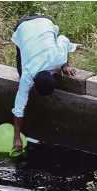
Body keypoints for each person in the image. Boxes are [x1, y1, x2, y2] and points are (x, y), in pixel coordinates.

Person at [11, 16, 79, 151]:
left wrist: (65, 66)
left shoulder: (59, 59)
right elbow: (18, 108)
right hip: (23, 25)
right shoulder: (27, 75)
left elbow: (64, 39)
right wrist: (16, 137)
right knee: (20, 67)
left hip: (44, 21)